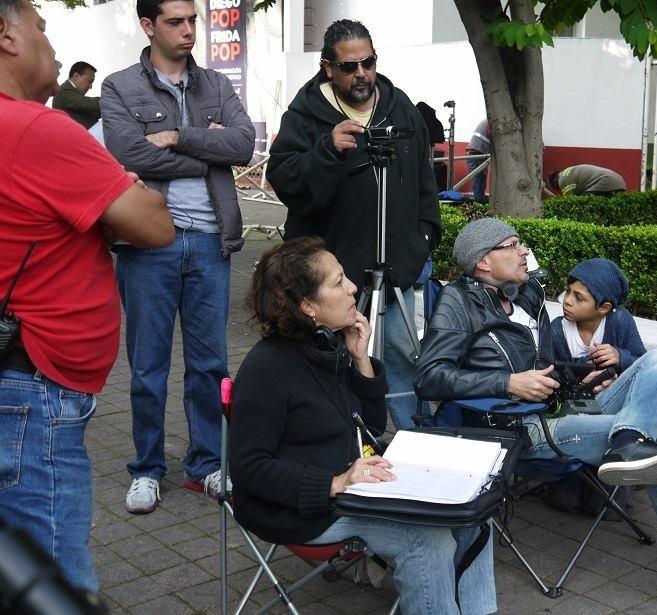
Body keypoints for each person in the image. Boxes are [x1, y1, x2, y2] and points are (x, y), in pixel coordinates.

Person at [414, 218, 657, 615]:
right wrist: (507, 383)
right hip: (521, 427)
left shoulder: (528, 291)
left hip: (565, 404)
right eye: (513, 244)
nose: (523, 251)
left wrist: (589, 375)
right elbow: (429, 376)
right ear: (483, 261)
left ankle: (627, 443)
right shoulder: (457, 302)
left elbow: (547, 359)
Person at [0, 0, 173, 593]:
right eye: (42, 28)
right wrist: (124, 191)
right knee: (55, 588)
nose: (52, 42)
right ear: (6, 35)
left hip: (21, 383)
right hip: (33, 395)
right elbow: (154, 222)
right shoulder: (33, 128)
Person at [229, 237, 496, 615]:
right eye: (337, 283)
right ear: (308, 306)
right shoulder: (267, 369)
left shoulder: (327, 346)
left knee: (473, 514)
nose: (353, 287)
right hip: (301, 508)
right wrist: (335, 482)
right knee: (426, 539)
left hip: (356, 486)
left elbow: (368, 427)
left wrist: (361, 360)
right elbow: (249, 467)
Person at [100, 0, 255, 514]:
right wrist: (207, 150)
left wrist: (178, 138)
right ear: (148, 25)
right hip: (149, 241)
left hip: (212, 240)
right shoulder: (120, 86)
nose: (189, 30)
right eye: (175, 21)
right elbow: (128, 154)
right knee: (147, 366)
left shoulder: (214, 84)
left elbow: (244, 145)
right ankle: (146, 468)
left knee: (210, 364)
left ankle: (206, 464)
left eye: (193, 20)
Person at [266, 19, 441, 432]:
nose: (361, 73)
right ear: (328, 67)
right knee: (332, 358)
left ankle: (414, 445)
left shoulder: (400, 107)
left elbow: (425, 183)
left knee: (399, 356)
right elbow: (286, 180)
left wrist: (425, 237)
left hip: (398, 264)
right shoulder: (306, 114)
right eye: (349, 66)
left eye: (368, 62)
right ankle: (341, 442)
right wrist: (327, 149)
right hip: (333, 276)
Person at [551, 258, 646, 372]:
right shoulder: (557, 330)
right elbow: (548, 374)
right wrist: (585, 370)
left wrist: (619, 357)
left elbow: (644, 363)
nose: (567, 301)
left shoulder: (619, 320)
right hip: (575, 390)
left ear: (604, 308)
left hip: (615, 388)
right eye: (567, 291)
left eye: (578, 297)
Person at [51, 60, 100, 128]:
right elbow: (88, 104)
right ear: (76, 76)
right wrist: (112, 98)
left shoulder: (70, 93)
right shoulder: (63, 91)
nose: (90, 86)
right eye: (89, 81)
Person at [547, 164, 626, 196]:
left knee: (584, 200)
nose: (560, 189)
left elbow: (570, 200)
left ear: (555, 181)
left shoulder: (563, 179)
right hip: (620, 182)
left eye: (556, 187)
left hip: (605, 181)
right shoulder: (569, 171)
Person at [466, 118, 490, 202]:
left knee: (478, 178)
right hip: (478, 152)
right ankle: (479, 201)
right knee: (479, 177)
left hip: (475, 152)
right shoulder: (492, 122)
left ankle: (479, 200)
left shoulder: (487, 121)